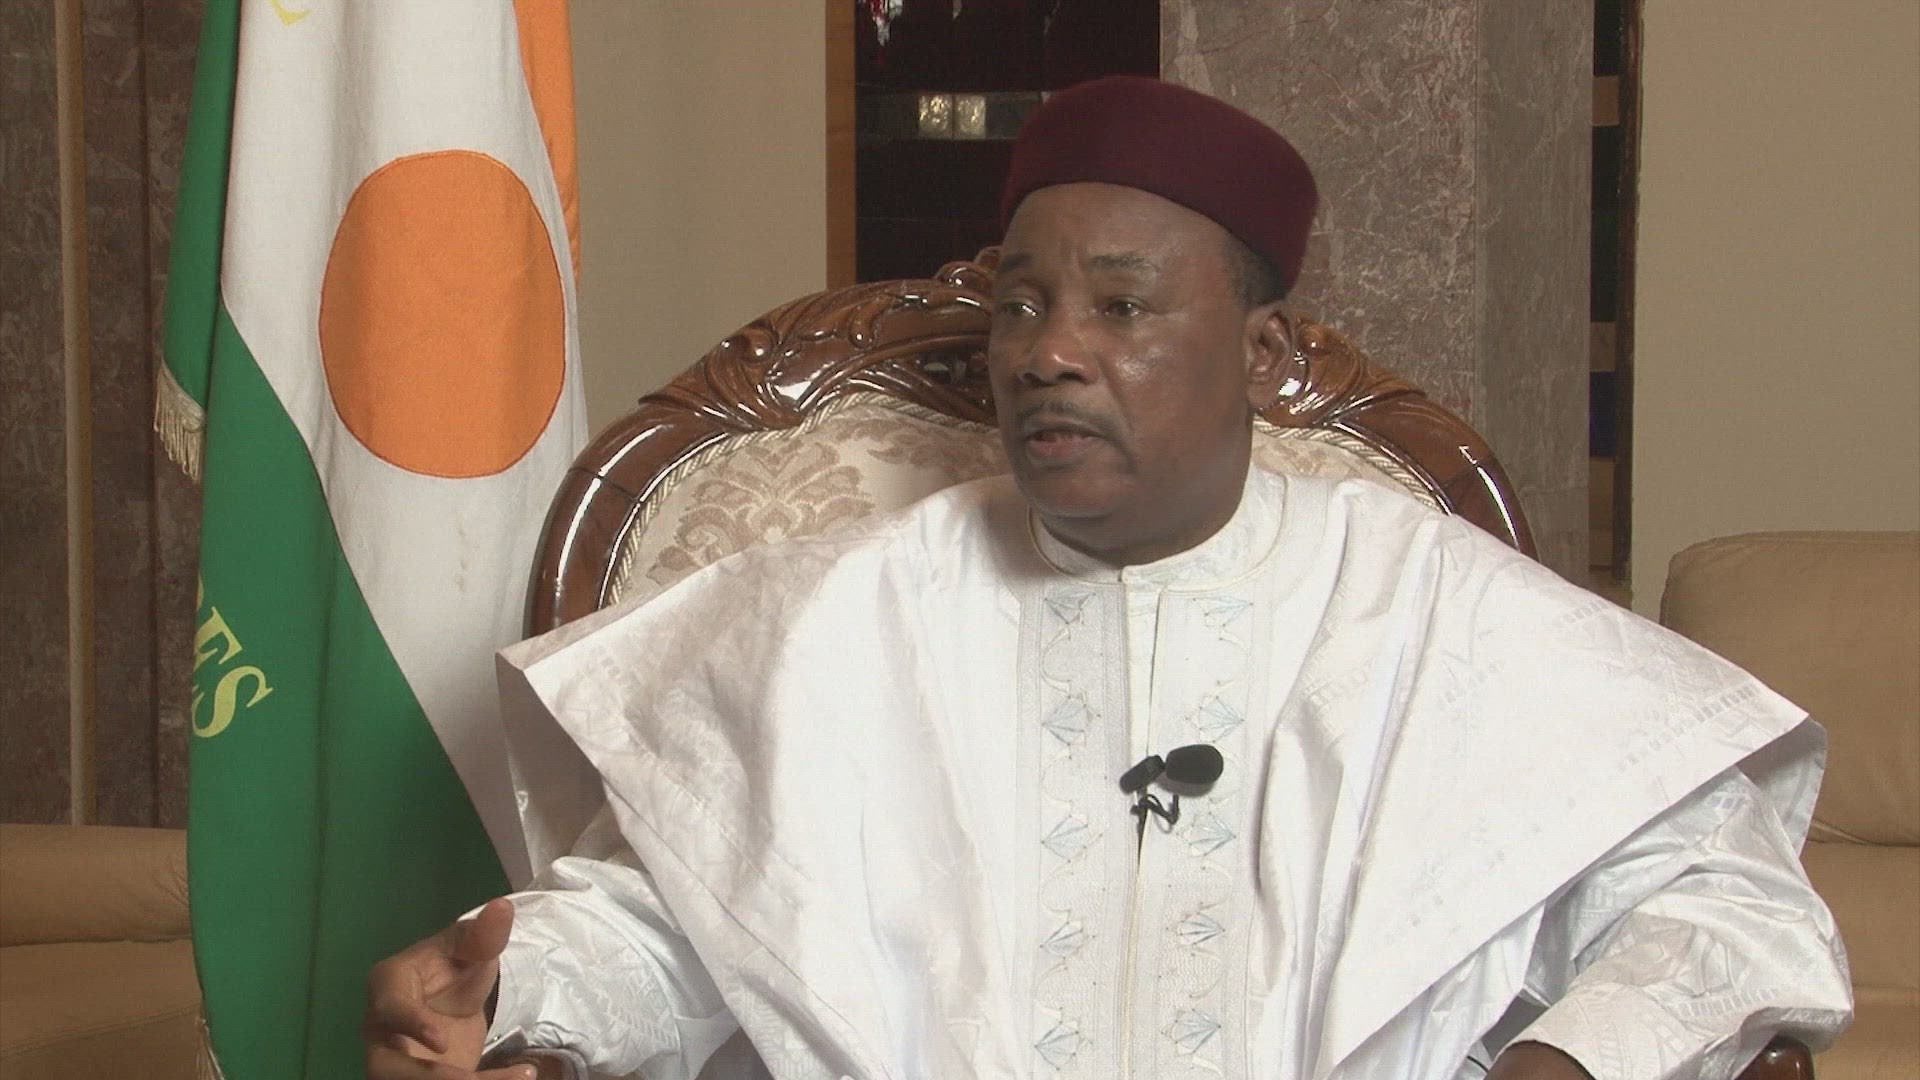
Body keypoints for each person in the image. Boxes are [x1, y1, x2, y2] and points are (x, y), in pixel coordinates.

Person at [363, 77, 1850, 1080]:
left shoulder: (1432, 607)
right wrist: (522, 989)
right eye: (1021, 305)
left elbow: (1725, 909)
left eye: (1122, 307)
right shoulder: (835, 619)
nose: (1048, 352)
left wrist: (1565, 1063)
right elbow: (681, 925)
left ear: (1262, 353)